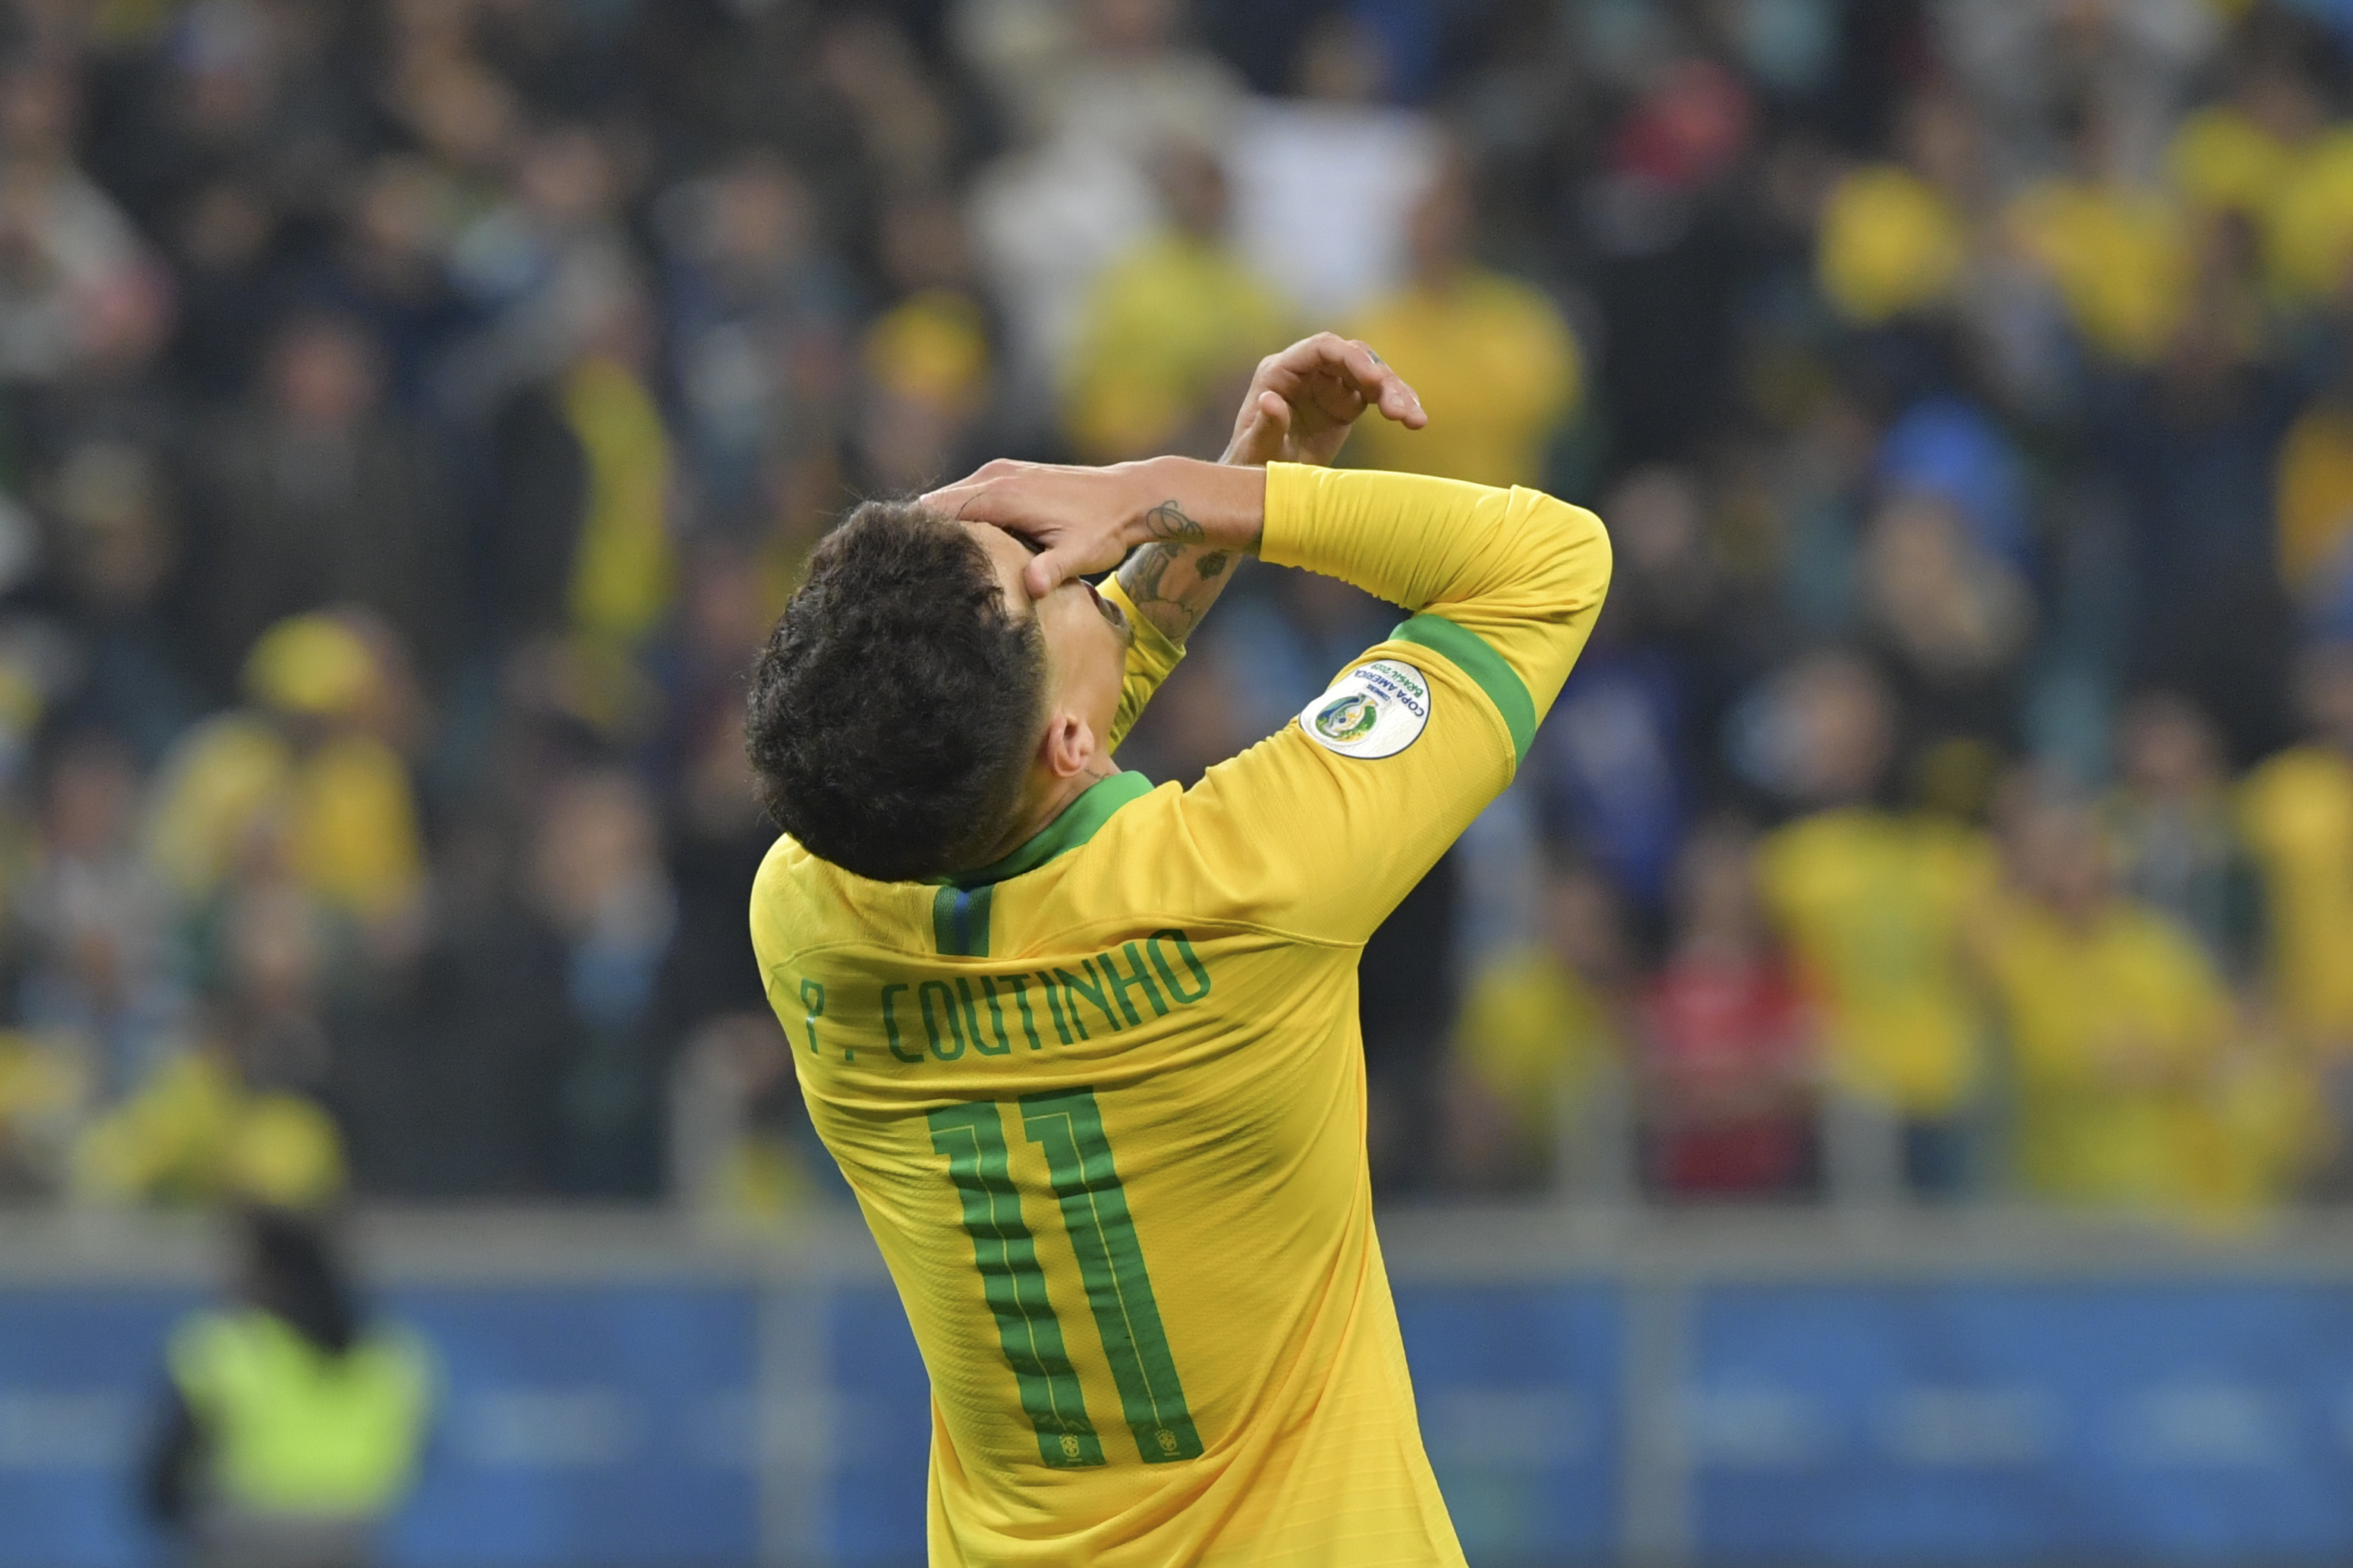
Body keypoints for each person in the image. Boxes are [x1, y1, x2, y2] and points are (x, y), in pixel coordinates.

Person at [744, 332, 1611, 1564]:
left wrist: (1194, 523)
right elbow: (1550, 563)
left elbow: (1028, 761)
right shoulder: (1252, 889)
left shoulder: (806, 923)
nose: (1075, 555)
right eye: (1045, 571)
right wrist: (1201, 496)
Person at [144, 1206, 436, 1568]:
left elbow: (164, 1476)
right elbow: (419, 1450)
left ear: (268, 1274)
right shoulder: (393, 1356)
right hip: (352, 1540)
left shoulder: (227, 1349)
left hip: (238, 1539)